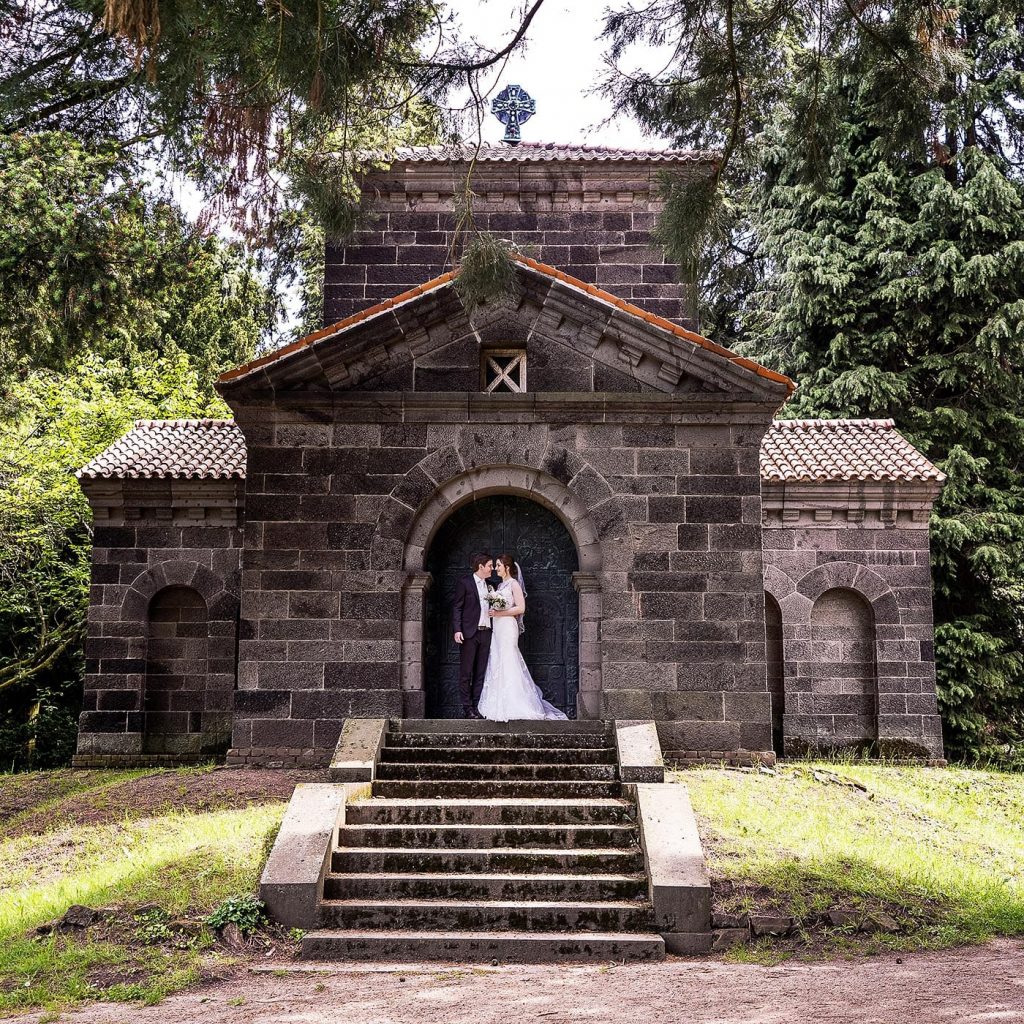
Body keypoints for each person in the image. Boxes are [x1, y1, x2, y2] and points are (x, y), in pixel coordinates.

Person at [477, 553, 568, 722]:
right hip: (498, 628)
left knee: (509, 660)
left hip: (507, 627)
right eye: (495, 565)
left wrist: (499, 612)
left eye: (498, 565)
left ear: (507, 567)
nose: (496, 568)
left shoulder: (513, 585)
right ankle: (498, 704)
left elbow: (521, 608)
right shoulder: (501, 585)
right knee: (497, 661)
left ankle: (516, 704)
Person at [451, 552, 494, 719]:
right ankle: (467, 708)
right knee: (466, 673)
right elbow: (457, 607)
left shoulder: (491, 585)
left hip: (487, 633)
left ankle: (477, 706)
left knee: (481, 672)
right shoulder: (465, 583)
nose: (492, 569)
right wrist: (457, 629)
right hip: (469, 633)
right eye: (490, 566)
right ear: (480, 566)